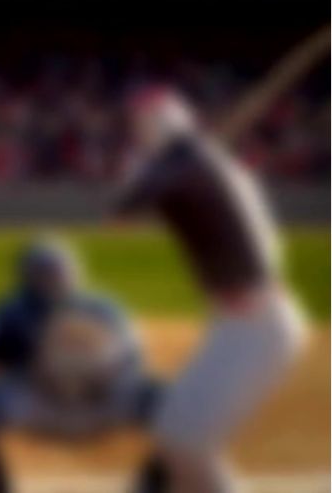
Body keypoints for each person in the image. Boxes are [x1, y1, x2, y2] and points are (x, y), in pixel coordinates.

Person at [115, 85, 307, 493]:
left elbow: (126, 210)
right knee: (173, 432)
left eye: (140, 126)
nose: (136, 132)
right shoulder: (199, 165)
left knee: (186, 441)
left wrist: (143, 172)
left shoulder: (187, 168)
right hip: (237, 324)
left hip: (258, 326)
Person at [0, 238, 161, 493]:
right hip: (40, 401)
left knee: (168, 405)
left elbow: (132, 363)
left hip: (99, 400)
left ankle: (151, 486)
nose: (51, 280)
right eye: (45, 273)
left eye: (54, 273)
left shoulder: (101, 310)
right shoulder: (14, 315)